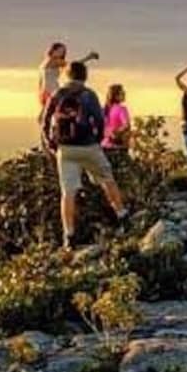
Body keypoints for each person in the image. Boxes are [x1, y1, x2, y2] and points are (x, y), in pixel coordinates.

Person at [43, 62, 132, 245]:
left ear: (67, 76)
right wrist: (97, 140)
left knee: (68, 192)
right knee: (107, 178)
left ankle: (69, 235)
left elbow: (45, 120)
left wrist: (51, 143)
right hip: (88, 146)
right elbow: (99, 120)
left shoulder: (58, 94)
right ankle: (122, 214)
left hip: (65, 148)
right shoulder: (89, 95)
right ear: (85, 76)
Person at [38, 43, 100, 112]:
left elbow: (41, 80)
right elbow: (73, 65)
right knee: (58, 109)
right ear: (53, 50)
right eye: (59, 51)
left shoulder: (44, 62)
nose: (61, 54)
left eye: (63, 52)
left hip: (45, 90)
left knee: (49, 110)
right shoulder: (53, 60)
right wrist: (88, 57)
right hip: (52, 89)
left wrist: (40, 92)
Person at [102, 84, 131, 151]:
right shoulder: (121, 109)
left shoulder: (104, 110)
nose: (124, 94)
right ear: (116, 96)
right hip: (117, 146)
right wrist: (115, 132)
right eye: (122, 93)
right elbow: (126, 125)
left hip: (103, 145)